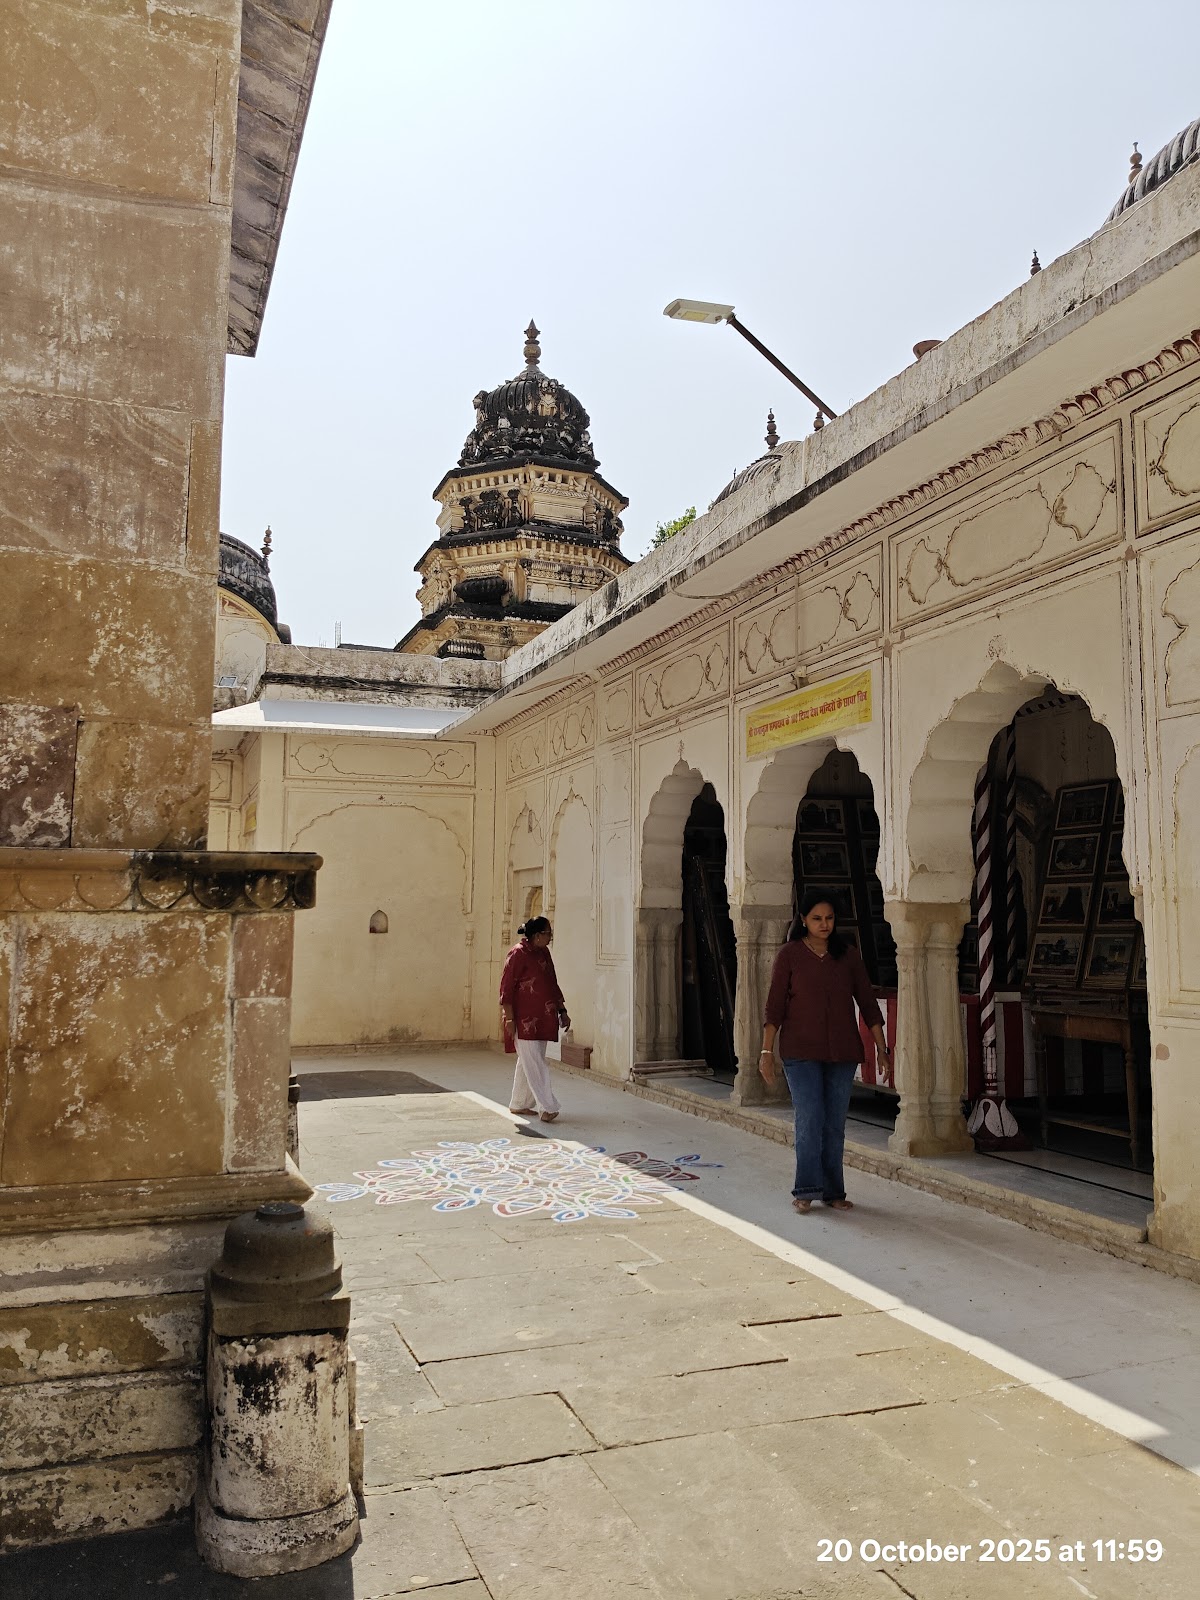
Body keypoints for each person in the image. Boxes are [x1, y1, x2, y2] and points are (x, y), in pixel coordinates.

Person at [759, 887, 891, 1214]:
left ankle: (834, 1191)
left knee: (834, 1123)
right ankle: (805, 1188)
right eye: (817, 918)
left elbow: (867, 1002)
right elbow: (774, 1008)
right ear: (803, 919)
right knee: (809, 1118)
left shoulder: (848, 956)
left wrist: (882, 1048)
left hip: (843, 1052)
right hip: (800, 1052)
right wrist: (765, 1052)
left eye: (829, 918)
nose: (824, 924)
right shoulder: (789, 955)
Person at [499, 916, 570, 1123]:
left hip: (544, 1018)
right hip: (523, 1021)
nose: (550, 937)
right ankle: (547, 1107)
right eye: (548, 933)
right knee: (536, 1063)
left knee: (529, 1061)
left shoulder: (544, 953)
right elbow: (506, 989)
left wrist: (562, 1011)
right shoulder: (517, 954)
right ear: (537, 935)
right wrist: (510, 1020)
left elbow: (552, 983)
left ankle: (519, 1103)